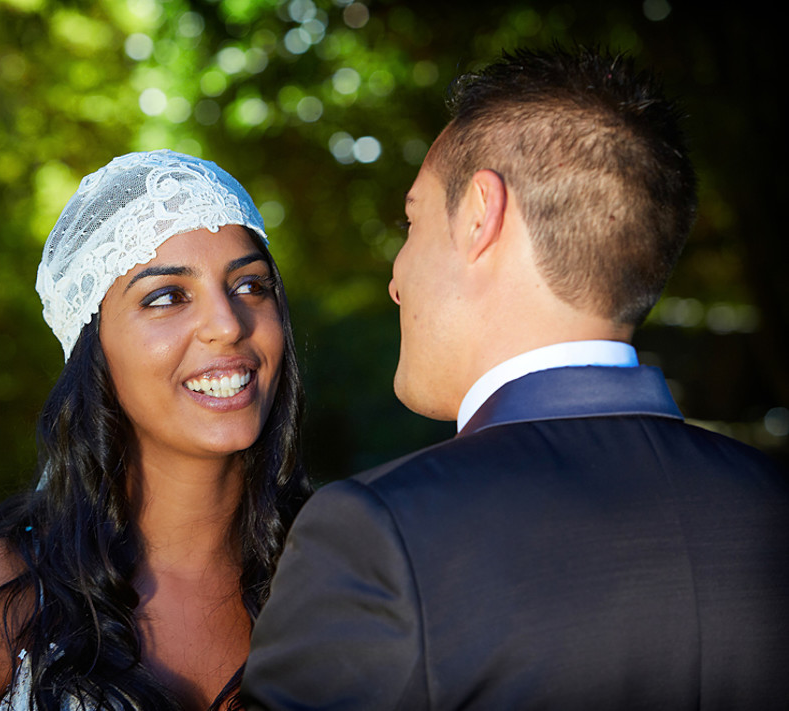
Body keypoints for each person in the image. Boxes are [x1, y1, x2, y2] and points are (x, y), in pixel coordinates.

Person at [241, 47, 789, 710]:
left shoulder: (380, 537)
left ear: (480, 214)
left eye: (410, 222)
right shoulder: (769, 502)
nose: (395, 279)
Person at [0, 150, 310, 711]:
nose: (228, 324)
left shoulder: (348, 566)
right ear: (94, 349)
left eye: (251, 286)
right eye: (166, 297)